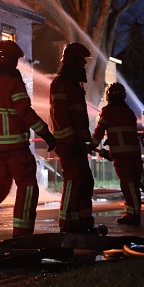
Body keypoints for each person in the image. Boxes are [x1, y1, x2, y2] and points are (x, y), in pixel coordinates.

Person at [0, 39, 56, 238]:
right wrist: (45, 133)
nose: (17, 64)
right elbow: (25, 112)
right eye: (15, 60)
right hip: (16, 148)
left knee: (0, 183)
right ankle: (22, 234)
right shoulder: (13, 82)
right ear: (8, 61)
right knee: (27, 186)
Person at [50, 42, 96, 233]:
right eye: (81, 62)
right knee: (73, 181)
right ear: (72, 62)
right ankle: (67, 222)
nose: (84, 66)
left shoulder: (73, 85)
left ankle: (83, 221)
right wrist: (70, 141)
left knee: (86, 180)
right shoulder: (61, 84)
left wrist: (86, 142)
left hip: (76, 143)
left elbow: (77, 116)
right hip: (67, 144)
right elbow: (60, 115)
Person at [91, 82, 144, 226]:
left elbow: (99, 132)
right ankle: (132, 213)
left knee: (129, 185)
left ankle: (133, 215)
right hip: (134, 153)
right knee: (133, 184)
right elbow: (123, 132)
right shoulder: (129, 112)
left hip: (122, 155)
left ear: (108, 96)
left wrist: (92, 144)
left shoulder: (107, 111)